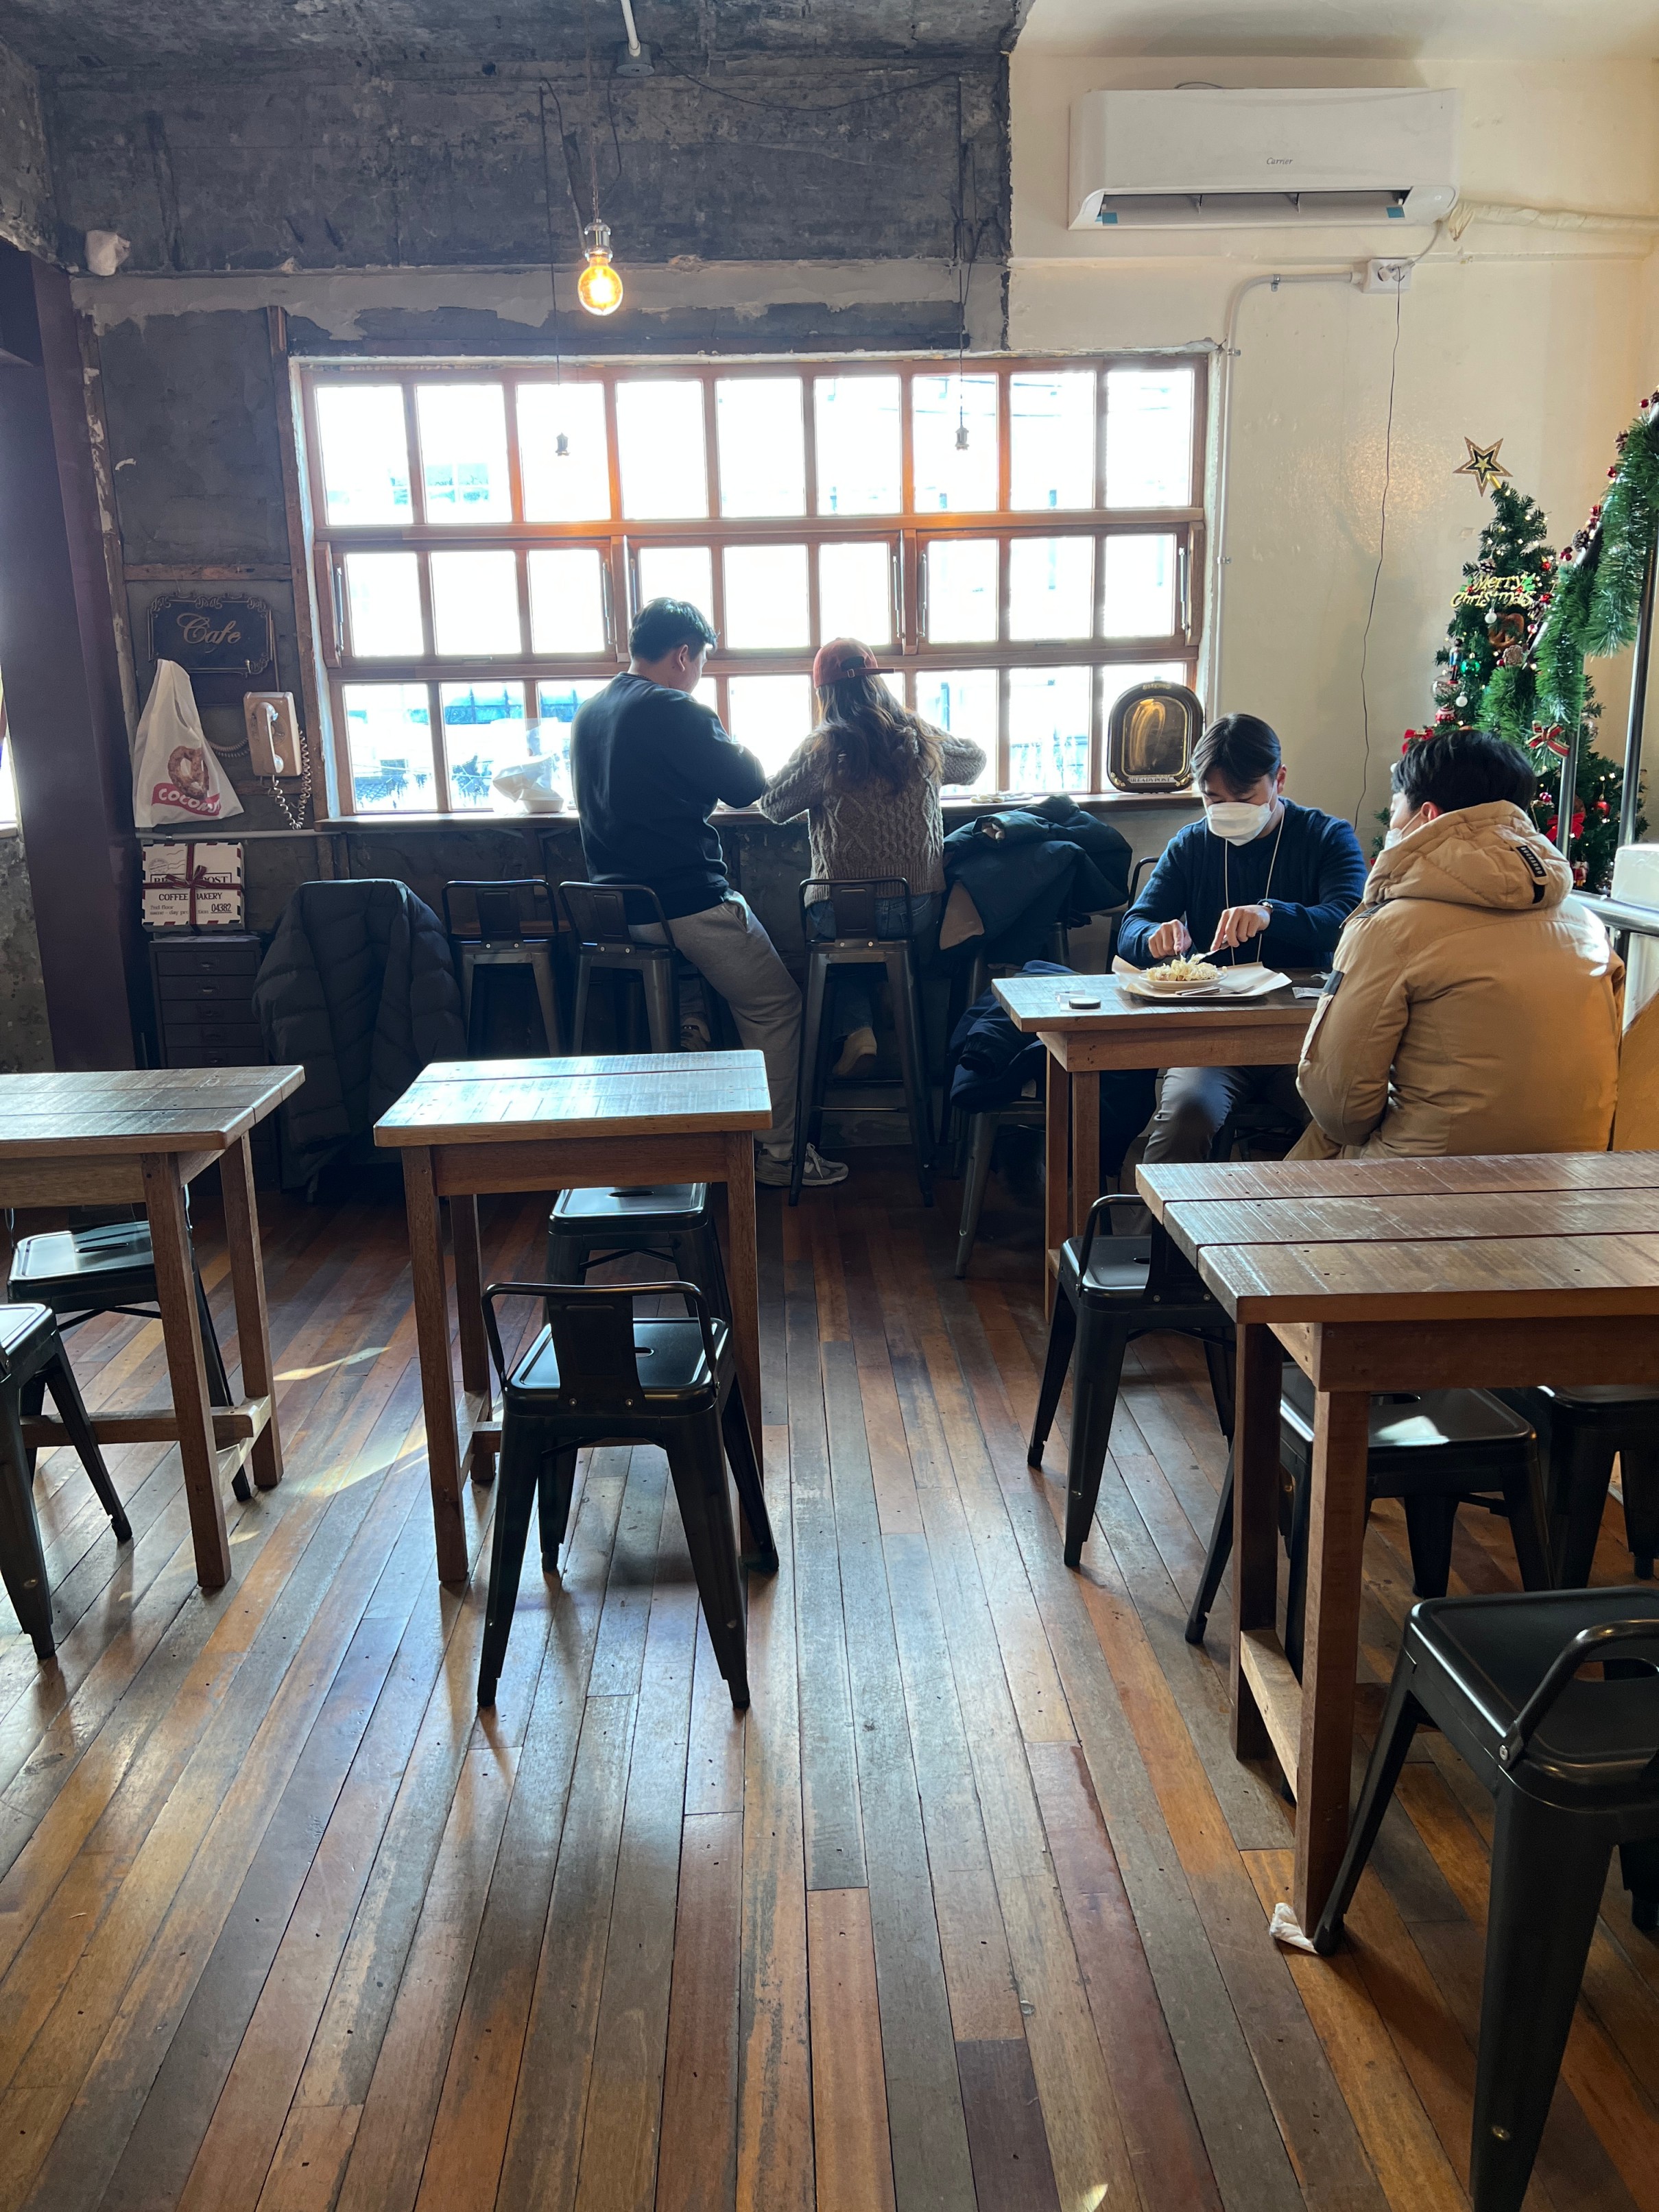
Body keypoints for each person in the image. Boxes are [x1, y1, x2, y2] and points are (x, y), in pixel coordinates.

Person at [571, 597, 848, 1188]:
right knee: (775, 1006)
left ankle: (690, 1058)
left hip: (615, 911)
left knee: (694, 992)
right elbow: (748, 786)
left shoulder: (590, 712)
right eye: (700, 663)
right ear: (682, 655)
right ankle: (779, 1155)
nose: (698, 674)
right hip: (684, 902)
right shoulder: (675, 708)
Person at [1293, 729, 1622, 1158]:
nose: (1392, 825)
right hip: (1577, 1170)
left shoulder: (1390, 929)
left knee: (1313, 1150)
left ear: (1427, 815)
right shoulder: (1587, 924)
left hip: (1430, 1176)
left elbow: (1339, 1103)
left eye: (1394, 810)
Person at [1113, 711, 1366, 1166]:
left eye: (1245, 797)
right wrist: (1153, 936)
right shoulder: (1192, 844)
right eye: (1213, 798)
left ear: (1279, 780)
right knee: (1186, 1114)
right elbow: (1134, 926)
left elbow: (1350, 919)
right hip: (1213, 1037)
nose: (1227, 809)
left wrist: (1272, 914)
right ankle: (1161, 1215)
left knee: (1344, 1122)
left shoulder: (1325, 837)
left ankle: (1295, 1212)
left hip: (1304, 1038)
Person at [759, 638, 986, 1077]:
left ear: (824, 693)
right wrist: (927, 738)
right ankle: (890, 1003)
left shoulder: (823, 748)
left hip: (840, 909)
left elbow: (772, 804)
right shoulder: (918, 737)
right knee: (885, 942)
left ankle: (860, 1029)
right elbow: (974, 761)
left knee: (843, 944)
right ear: (877, 683)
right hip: (915, 907)